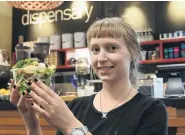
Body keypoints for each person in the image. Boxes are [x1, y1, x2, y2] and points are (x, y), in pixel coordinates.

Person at [10, 17, 168, 135]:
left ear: (133, 53)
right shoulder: (75, 107)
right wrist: (32, 124)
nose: (101, 58)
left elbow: (70, 126)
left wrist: (70, 125)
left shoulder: (151, 111)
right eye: (95, 50)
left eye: (112, 48)